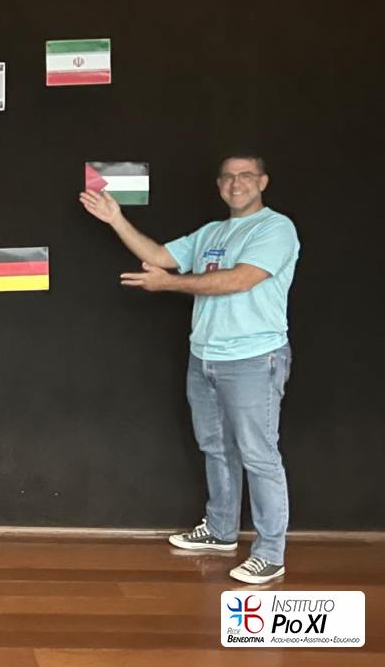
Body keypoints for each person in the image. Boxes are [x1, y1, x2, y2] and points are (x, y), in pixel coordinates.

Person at [80, 154, 299, 584]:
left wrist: (168, 285)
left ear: (263, 182)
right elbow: (160, 255)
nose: (236, 183)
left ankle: (271, 552)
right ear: (219, 185)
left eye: (246, 176)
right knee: (215, 446)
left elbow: (240, 279)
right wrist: (116, 219)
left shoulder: (275, 228)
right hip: (204, 357)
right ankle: (220, 531)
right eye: (228, 177)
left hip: (254, 358)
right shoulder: (211, 232)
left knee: (258, 455)